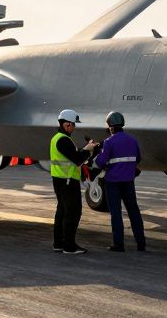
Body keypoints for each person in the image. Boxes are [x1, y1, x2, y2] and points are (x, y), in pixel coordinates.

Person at [94, 111, 145, 252]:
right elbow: (138, 159)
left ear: (110, 127)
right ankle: (141, 244)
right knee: (133, 211)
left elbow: (100, 162)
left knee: (116, 213)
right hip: (128, 181)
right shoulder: (132, 140)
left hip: (112, 183)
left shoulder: (109, 142)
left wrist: (99, 153)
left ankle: (119, 244)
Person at [49, 109, 97, 255]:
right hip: (68, 181)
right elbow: (77, 159)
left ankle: (58, 243)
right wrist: (88, 149)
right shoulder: (63, 140)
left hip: (61, 180)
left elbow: (73, 156)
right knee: (73, 213)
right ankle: (69, 246)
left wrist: (84, 151)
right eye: (73, 124)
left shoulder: (57, 138)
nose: (74, 127)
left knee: (62, 212)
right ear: (67, 124)